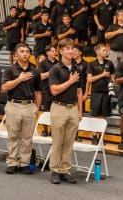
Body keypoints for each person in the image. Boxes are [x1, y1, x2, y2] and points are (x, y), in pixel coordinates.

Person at [2, 43, 42, 174]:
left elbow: (38, 91)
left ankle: (24, 162)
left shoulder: (35, 70)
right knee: (13, 136)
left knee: (27, 137)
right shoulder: (10, 70)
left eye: (27, 51)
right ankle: (12, 162)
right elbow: (4, 88)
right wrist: (19, 79)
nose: (25, 53)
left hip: (30, 106)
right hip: (14, 105)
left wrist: (37, 108)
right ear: (16, 55)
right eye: (22, 51)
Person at [48, 38, 82, 184]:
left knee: (69, 143)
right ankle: (55, 170)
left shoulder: (78, 69)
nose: (70, 51)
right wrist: (70, 81)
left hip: (73, 108)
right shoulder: (55, 68)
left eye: (72, 48)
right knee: (58, 141)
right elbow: (54, 91)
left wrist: (80, 111)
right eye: (67, 48)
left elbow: (80, 92)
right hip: (59, 107)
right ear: (61, 51)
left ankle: (65, 170)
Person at [87, 43, 115, 144]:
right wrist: (102, 74)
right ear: (97, 51)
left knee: (103, 116)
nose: (105, 52)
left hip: (106, 92)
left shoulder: (110, 63)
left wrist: (112, 80)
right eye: (103, 50)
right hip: (96, 92)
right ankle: (94, 136)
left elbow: (113, 77)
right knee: (95, 115)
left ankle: (100, 137)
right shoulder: (91, 64)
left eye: (105, 50)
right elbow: (89, 79)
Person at [38, 45, 58, 136]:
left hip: (56, 89)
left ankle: (53, 130)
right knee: (45, 110)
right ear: (48, 53)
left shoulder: (59, 63)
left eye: (55, 51)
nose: (54, 53)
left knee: (54, 111)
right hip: (45, 89)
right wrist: (51, 72)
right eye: (52, 51)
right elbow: (41, 77)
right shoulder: (42, 63)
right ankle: (45, 129)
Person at [73, 44, 90, 142]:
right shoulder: (70, 63)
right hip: (70, 91)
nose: (74, 52)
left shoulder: (86, 64)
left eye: (76, 51)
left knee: (79, 113)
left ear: (80, 52)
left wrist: (86, 93)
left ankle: (76, 134)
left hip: (81, 91)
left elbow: (88, 80)